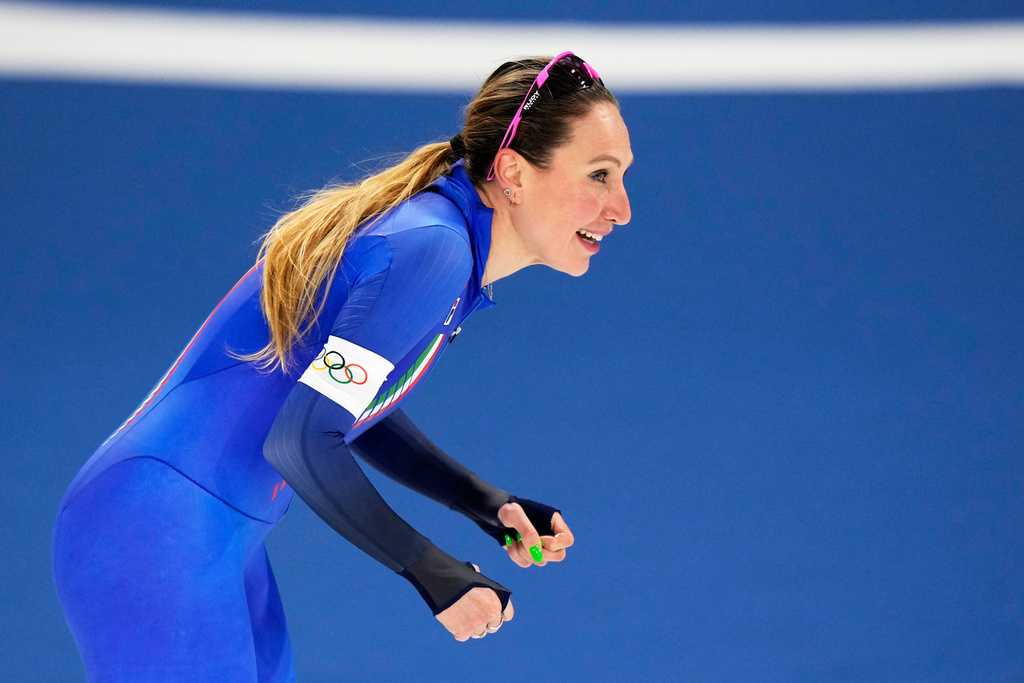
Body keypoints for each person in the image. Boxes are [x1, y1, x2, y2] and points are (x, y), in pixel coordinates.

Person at [52, 51, 632, 681]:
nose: (621, 207)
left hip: (193, 534)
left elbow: (341, 406)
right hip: (155, 536)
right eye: (599, 175)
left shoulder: (447, 242)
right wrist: (430, 568)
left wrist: (483, 502)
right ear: (514, 172)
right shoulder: (433, 250)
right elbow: (303, 438)